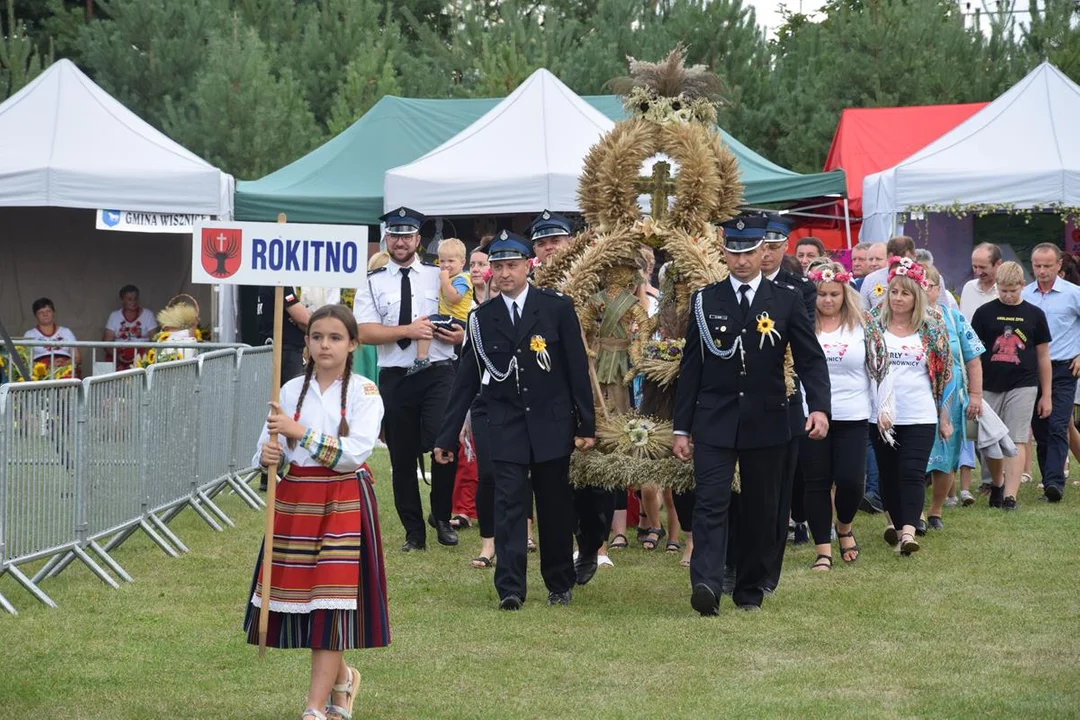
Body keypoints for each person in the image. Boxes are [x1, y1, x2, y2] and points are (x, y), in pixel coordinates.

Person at [672, 215, 830, 614]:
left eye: (749, 252)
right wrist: (681, 428)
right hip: (714, 419)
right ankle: (706, 584)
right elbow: (692, 367)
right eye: (733, 252)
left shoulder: (787, 299)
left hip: (768, 418)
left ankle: (750, 589)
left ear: (764, 251)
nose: (741, 260)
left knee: (762, 506)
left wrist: (820, 408)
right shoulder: (706, 299)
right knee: (710, 502)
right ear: (723, 253)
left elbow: (811, 360)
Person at [433, 230, 596, 610]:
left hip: (551, 424)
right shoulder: (481, 317)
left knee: (554, 505)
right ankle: (510, 587)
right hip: (505, 422)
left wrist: (585, 425)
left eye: (512, 265)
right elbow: (467, 379)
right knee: (509, 506)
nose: (505, 273)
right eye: (498, 266)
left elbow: (576, 369)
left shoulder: (555, 307)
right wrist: (446, 436)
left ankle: (559, 581)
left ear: (528, 266)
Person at [244, 304, 388, 720]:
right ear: (306, 342)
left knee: (331, 602)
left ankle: (314, 708)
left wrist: (298, 432)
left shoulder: (366, 392)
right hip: (297, 501)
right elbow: (268, 451)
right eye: (317, 336)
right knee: (307, 601)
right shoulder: (289, 389)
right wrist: (269, 453)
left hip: (342, 500)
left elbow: (354, 453)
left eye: (335, 337)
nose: (325, 344)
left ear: (353, 344)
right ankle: (342, 681)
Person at [354, 206, 464, 549]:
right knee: (401, 457)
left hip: (438, 371)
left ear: (418, 239)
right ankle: (413, 533)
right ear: (387, 238)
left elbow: (461, 312)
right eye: (395, 235)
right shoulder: (372, 282)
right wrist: (407, 330)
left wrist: (459, 336)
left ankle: (442, 517)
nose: (401, 241)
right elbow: (363, 331)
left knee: (444, 445)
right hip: (396, 375)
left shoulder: (438, 274)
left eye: (407, 235)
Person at [802, 261, 884, 570]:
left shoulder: (862, 325)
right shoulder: (803, 325)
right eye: (821, 294)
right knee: (816, 482)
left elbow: (877, 369)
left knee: (851, 481)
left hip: (853, 413)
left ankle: (845, 526)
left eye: (833, 294)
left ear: (844, 294)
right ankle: (823, 549)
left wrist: (880, 410)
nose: (827, 300)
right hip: (811, 414)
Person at [868, 258, 954, 555]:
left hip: (920, 413)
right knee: (888, 473)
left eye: (905, 293)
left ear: (916, 295)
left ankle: (908, 532)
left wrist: (943, 414)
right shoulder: (873, 327)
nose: (898, 298)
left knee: (912, 472)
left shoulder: (931, 329)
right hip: (882, 415)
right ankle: (894, 522)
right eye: (894, 292)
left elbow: (945, 374)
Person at [760, 214, 817, 586]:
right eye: (760, 246)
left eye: (773, 247)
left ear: (785, 248)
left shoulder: (799, 288)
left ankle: (769, 561)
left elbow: (803, 344)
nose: (765, 254)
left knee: (780, 482)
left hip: (783, 393)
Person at [970, 261, 1052, 510]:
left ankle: (1010, 496)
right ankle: (995, 483)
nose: (1007, 295)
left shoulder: (1035, 315)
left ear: (1022, 286)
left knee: (1017, 437)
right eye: (1002, 290)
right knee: (987, 438)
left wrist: (1046, 394)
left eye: (1012, 290)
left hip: (1023, 384)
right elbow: (973, 354)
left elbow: (1043, 357)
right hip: (989, 384)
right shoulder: (984, 313)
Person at [923, 264, 985, 531]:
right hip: (917, 395)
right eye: (918, 285)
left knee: (946, 457)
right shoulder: (902, 321)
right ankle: (915, 512)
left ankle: (935, 510)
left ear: (939, 289)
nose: (924, 290)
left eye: (929, 285)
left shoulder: (954, 317)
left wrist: (975, 395)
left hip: (951, 397)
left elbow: (973, 358)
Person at [1021, 243, 1080, 503]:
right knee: (1040, 427)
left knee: (1058, 424)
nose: (1042, 271)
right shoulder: (1025, 295)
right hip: (1032, 369)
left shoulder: (1073, 294)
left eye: (1047, 266)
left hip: (1065, 368)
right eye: (1037, 266)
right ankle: (1049, 478)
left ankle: (1054, 483)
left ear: (1059, 265)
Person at [256, 286, 312, 492]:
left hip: (281, 351)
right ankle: (272, 471)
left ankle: (271, 471)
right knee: (287, 409)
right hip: (286, 353)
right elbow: (303, 318)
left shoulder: (269, 284)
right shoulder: (281, 282)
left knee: (279, 409)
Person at [409, 238, 473, 375]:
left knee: (426, 324)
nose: (445, 265)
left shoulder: (462, 279)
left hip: (456, 319)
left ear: (462, 263)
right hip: (448, 317)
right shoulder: (450, 278)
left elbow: (454, 298)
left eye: (451, 261)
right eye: (442, 261)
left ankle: (421, 358)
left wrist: (444, 281)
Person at [103, 284, 157, 370]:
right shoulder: (114, 316)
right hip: (120, 357)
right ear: (122, 300)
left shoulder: (148, 314)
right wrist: (117, 356)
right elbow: (106, 342)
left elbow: (154, 340)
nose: (133, 302)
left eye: (135, 299)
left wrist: (141, 358)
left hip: (142, 356)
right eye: (129, 299)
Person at [24, 297, 80, 373]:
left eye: (48, 311)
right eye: (41, 312)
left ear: (53, 312)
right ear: (35, 315)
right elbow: (26, 361)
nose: (45, 314)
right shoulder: (29, 334)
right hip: (42, 372)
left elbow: (77, 358)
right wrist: (47, 366)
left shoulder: (66, 331)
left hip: (66, 369)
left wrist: (64, 364)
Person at [960, 243, 1002, 320]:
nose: (978, 272)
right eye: (975, 267)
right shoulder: (969, 287)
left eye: (982, 267)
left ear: (998, 264)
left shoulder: (1006, 292)